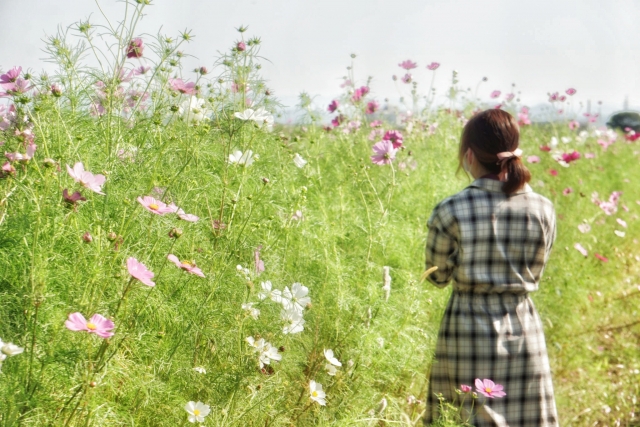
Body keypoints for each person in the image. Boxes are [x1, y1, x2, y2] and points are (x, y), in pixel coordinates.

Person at [423, 109, 559, 426]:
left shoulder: (451, 209)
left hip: (466, 327)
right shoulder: (543, 208)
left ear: (469, 155)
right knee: (527, 418)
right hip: (523, 325)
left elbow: (438, 276)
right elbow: (537, 265)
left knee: (463, 415)